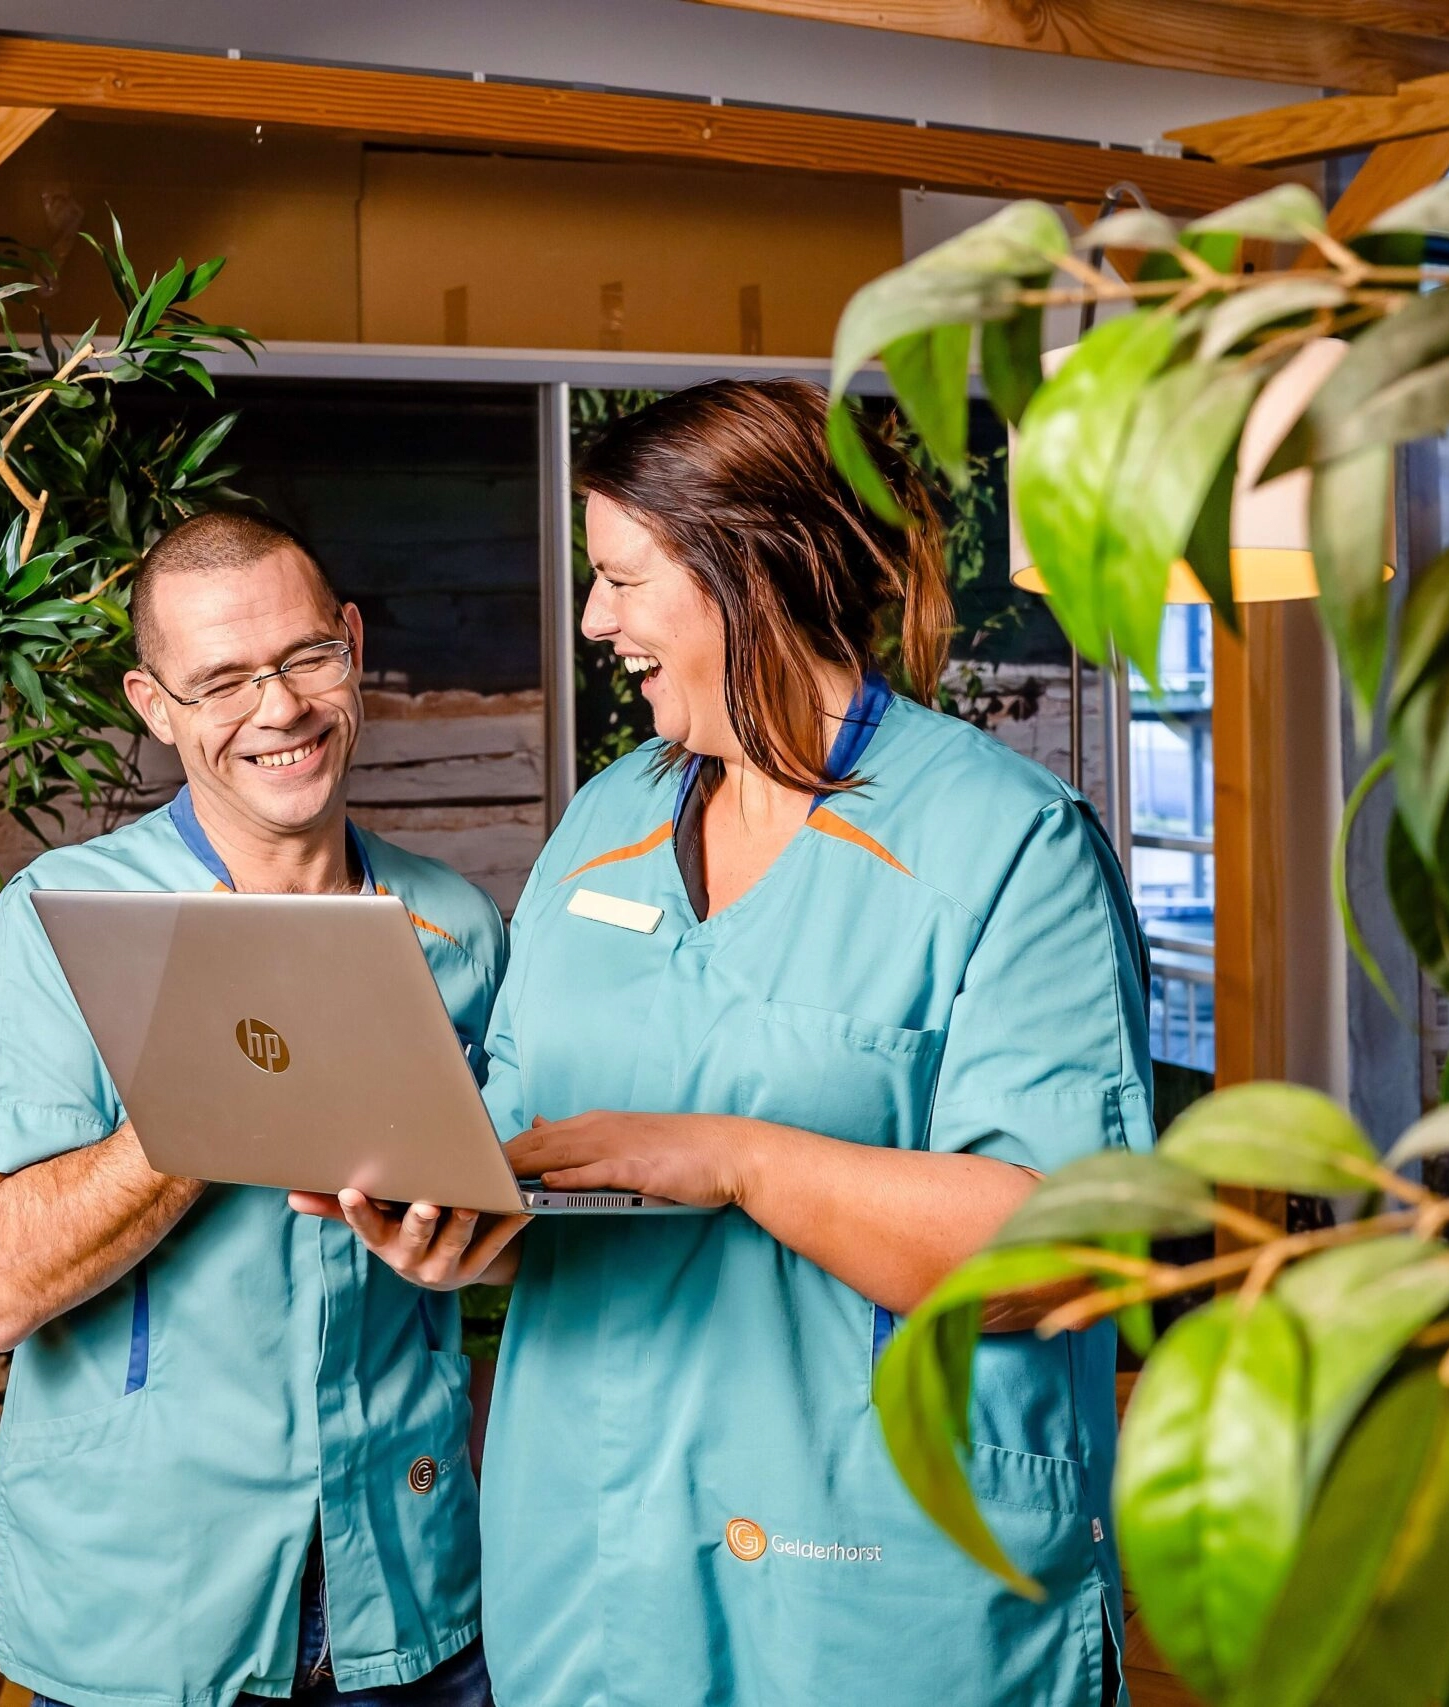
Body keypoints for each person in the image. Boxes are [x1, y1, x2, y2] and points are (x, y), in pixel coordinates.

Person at [301, 380, 1152, 1706]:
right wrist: (449, 1215)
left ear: (748, 572)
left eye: (622, 579)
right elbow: (532, 1146)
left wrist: (736, 1159)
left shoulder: (1008, 843)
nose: (596, 620)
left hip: (872, 1588)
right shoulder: (606, 822)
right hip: (594, 1565)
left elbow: (1058, 1251)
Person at [0, 512, 503, 1707]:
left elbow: (497, 1252)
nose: (278, 708)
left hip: (413, 1591)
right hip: (150, 1611)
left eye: (305, 657)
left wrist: (474, 1240)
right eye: (223, 681)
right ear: (155, 706)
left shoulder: (457, 923)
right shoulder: (63, 920)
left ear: (353, 647)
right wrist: (228, 1080)